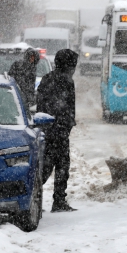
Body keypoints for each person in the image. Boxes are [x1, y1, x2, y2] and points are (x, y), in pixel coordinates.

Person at [37, 49, 78, 212]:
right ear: (69, 65)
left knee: (46, 165)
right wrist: (68, 124)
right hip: (59, 130)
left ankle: (35, 195)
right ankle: (58, 200)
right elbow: (69, 106)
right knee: (61, 165)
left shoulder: (46, 78)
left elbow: (40, 103)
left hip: (47, 129)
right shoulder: (66, 81)